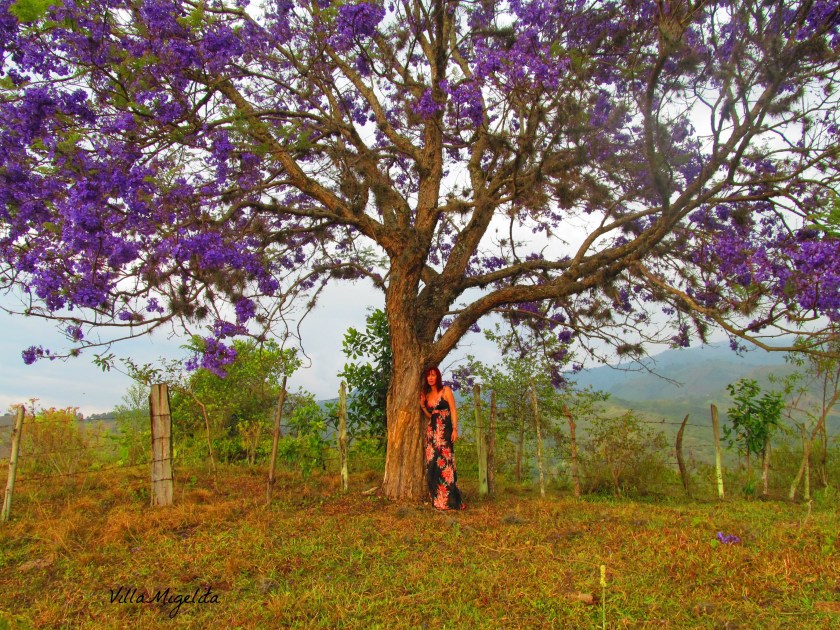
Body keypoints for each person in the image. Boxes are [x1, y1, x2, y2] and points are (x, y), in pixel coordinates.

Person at [420, 366, 464, 510]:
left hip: (445, 432)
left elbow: (453, 410)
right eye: (428, 376)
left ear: (438, 377)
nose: (430, 378)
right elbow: (431, 416)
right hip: (432, 434)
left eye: (433, 375)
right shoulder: (427, 395)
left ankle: (451, 501)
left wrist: (455, 429)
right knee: (433, 465)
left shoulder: (446, 390)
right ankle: (438, 500)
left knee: (446, 465)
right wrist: (423, 407)